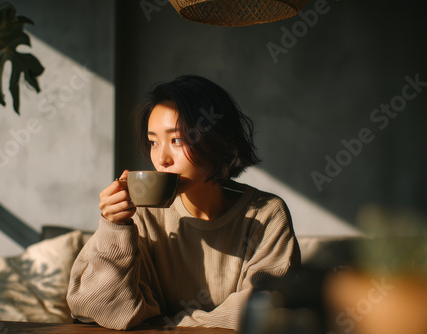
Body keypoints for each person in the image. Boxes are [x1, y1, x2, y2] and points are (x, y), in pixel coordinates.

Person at [66, 75, 301, 330]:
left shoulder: (266, 215)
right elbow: (93, 309)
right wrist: (114, 227)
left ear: (216, 138)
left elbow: (264, 312)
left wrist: (166, 325)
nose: (161, 159)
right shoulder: (140, 216)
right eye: (154, 142)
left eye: (176, 139)